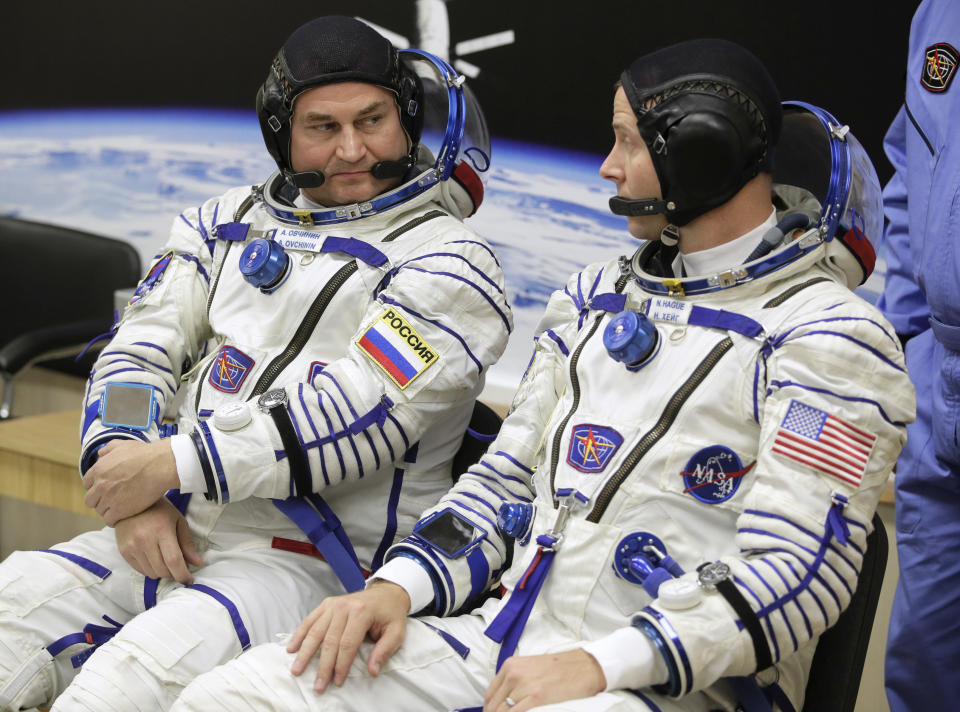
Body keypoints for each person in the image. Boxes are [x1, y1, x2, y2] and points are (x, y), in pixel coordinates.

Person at [171, 39, 914, 712]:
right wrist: (398, 588)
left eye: (626, 141)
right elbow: (502, 487)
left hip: (669, 684)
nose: (609, 167)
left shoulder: (832, 340)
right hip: (506, 639)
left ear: (701, 151)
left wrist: (601, 664)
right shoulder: (593, 301)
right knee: (238, 696)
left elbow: (799, 571)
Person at [0, 15, 511, 712]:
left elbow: (361, 413)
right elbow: (137, 353)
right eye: (323, 129)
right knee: (11, 615)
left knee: (117, 691)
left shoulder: (451, 265)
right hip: (172, 528)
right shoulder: (221, 224)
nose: (353, 149)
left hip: (308, 565)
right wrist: (132, 475)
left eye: (373, 120)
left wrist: (173, 464)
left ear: (408, 121)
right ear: (283, 136)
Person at [875, 1, 960, 709]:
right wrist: (902, 336)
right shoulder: (940, 13)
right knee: (925, 658)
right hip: (940, 372)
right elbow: (911, 163)